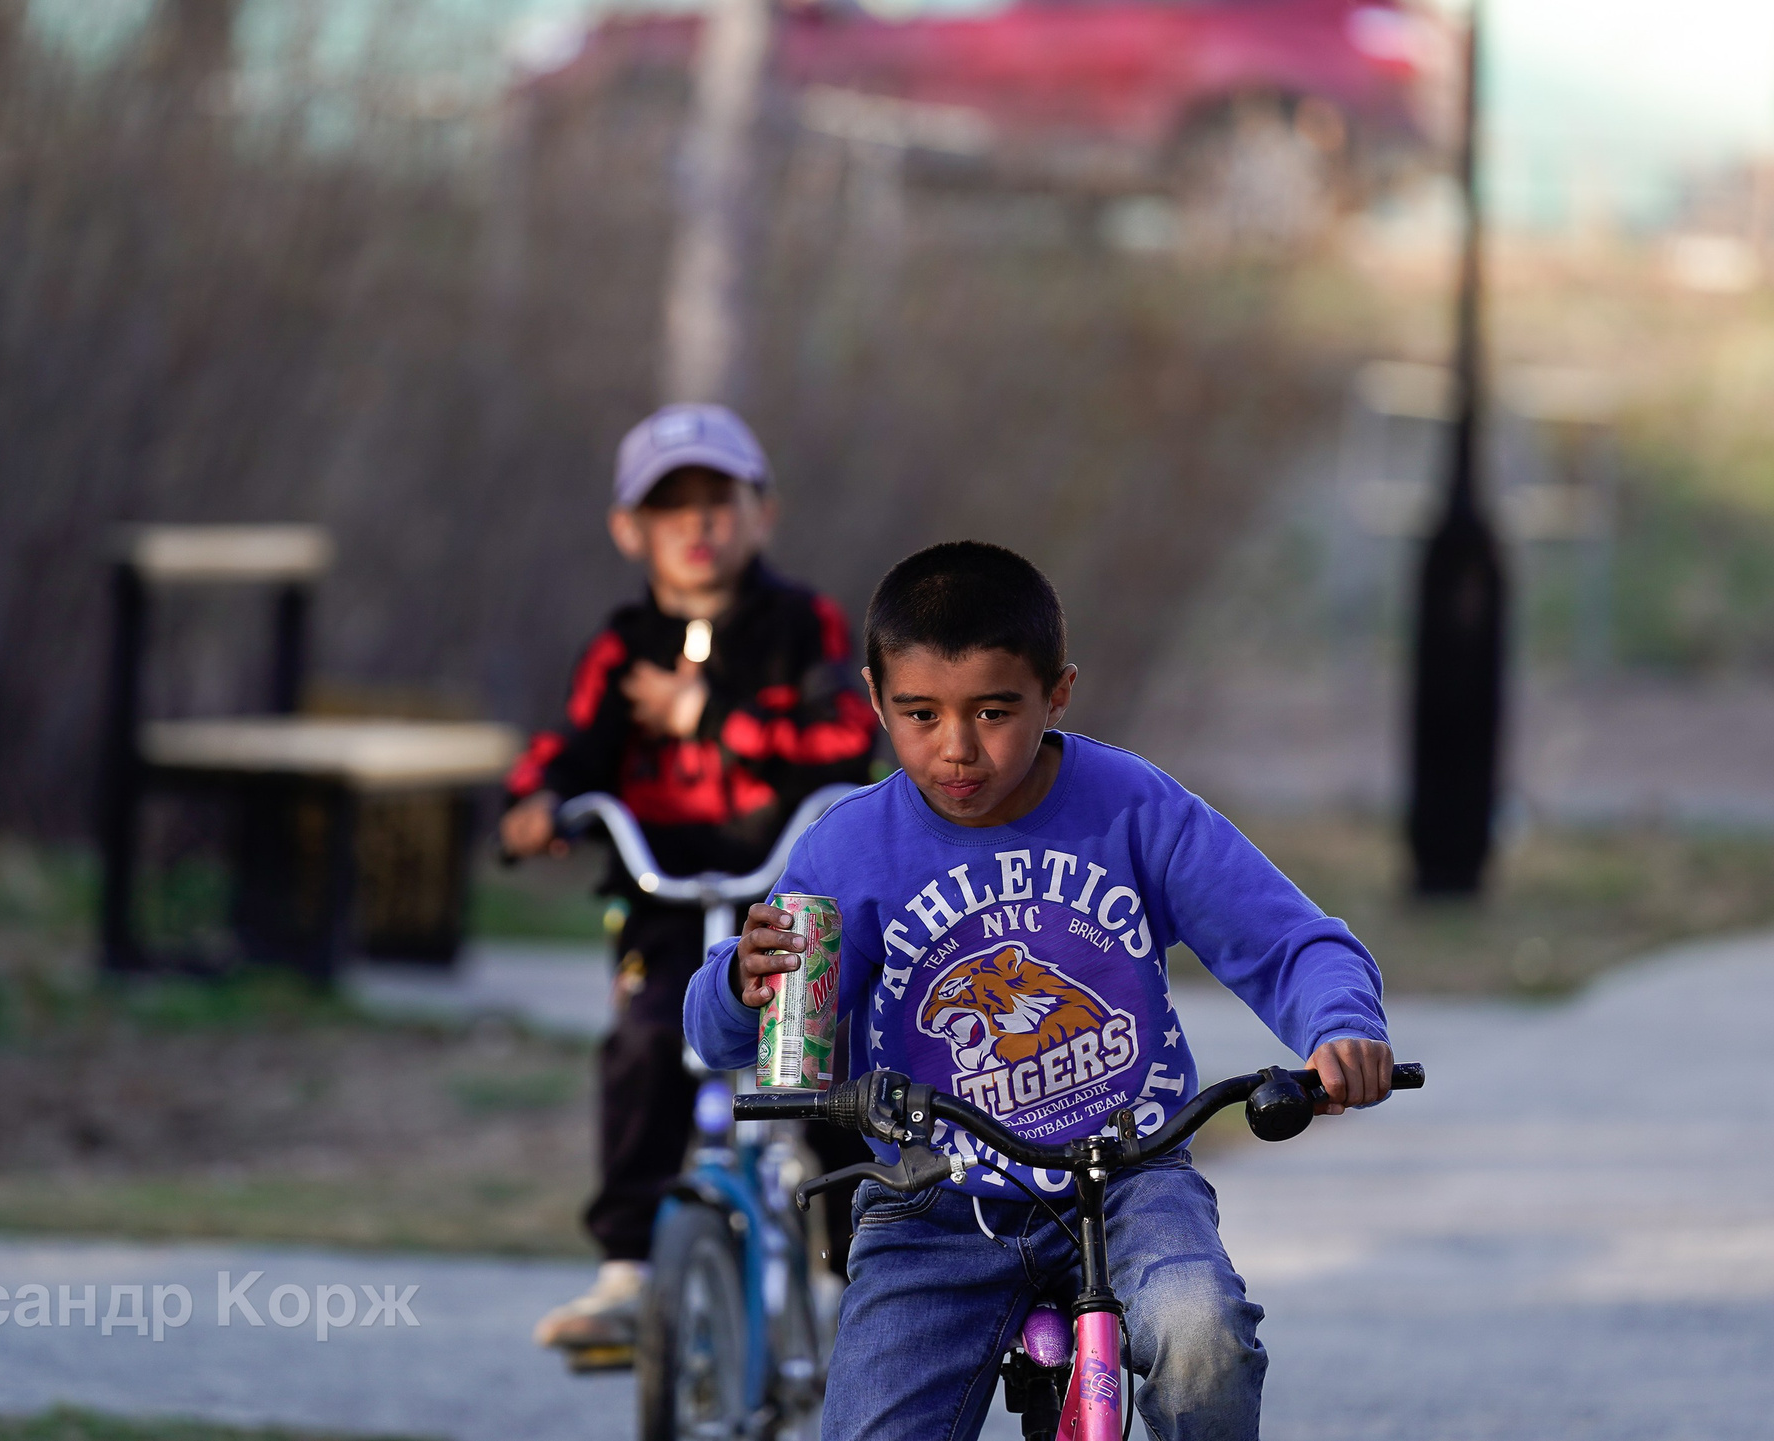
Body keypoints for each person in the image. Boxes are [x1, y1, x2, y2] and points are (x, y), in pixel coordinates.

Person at [681, 541, 1396, 1440]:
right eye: (920, 713)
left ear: (1056, 692)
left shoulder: (1131, 808)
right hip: (932, 1202)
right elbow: (722, 1038)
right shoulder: (847, 852)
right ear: (874, 699)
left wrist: (1340, 1024)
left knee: (1201, 1334)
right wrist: (742, 989)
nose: (957, 749)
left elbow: (1290, 937)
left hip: (1129, 1177)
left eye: (994, 710)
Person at [505, 402, 878, 1353]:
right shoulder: (622, 639)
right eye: (671, 510)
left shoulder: (802, 625)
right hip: (666, 896)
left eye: (719, 502)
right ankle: (628, 1270)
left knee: (821, 1061)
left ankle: (861, 1271)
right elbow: (575, 742)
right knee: (642, 1044)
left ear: (763, 513)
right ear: (630, 529)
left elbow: (844, 740)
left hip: (785, 891)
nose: (697, 527)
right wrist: (538, 797)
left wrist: (709, 713)